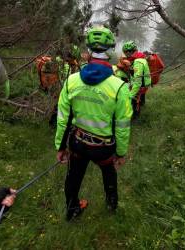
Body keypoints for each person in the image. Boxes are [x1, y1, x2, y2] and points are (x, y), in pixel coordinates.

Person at [55, 26, 133, 221]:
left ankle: (72, 209)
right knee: (109, 173)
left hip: (78, 143)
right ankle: (112, 205)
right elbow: (123, 125)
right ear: (110, 52)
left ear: (88, 51)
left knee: (73, 176)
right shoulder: (119, 87)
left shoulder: (71, 81)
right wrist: (121, 153)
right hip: (103, 148)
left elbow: (63, 118)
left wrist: (60, 147)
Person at [122, 41, 151, 117]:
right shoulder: (137, 58)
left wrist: (130, 95)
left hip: (141, 84)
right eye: (125, 51)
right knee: (139, 98)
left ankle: (135, 117)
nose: (127, 53)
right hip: (143, 83)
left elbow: (138, 82)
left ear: (134, 50)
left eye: (130, 51)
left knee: (134, 100)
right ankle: (141, 105)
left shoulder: (138, 61)